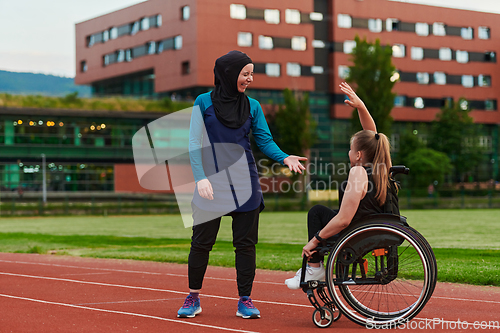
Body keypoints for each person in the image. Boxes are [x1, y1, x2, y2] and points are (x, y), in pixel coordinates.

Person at [178, 50, 307, 318]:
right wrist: (200, 177)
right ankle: (193, 297)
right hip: (210, 183)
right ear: (228, 74)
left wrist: (284, 157)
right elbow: (194, 143)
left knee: (245, 245)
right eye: (245, 73)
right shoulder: (202, 102)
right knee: (201, 243)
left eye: (251, 73)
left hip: (244, 182)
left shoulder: (253, 106)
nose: (250, 78)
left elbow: (264, 140)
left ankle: (245, 300)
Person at [285, 82, 393, 289]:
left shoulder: (358, 172)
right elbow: (373, 139)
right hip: (370, 228)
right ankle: (314, 268)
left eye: (350, 149)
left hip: (355, 231)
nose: (349, 153)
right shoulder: (381, 169)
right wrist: (361, 107)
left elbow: (343, 220)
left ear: (359, 155)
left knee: (316, 212)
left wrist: (314, 241)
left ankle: (314, 268)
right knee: (322, 213)